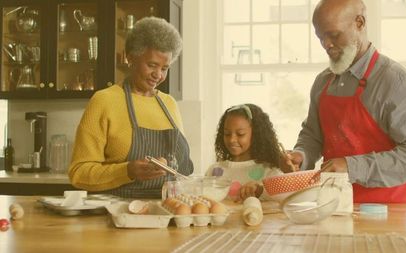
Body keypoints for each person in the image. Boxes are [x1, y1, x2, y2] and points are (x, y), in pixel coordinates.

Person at [281, 0, 406, 203]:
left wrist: (352, 166)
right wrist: (301, 155)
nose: (326, 44)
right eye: (321, 37)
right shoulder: (323, 81)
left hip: (388, 211)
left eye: (334, 35)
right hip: (335, 207)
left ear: (360, 23)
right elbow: (313, 135)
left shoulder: (395, 82)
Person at [69, 17, 193, 198]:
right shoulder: (104, 101)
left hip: (168, 212)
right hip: (117, 214)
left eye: (165, 68)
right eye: (152, 65)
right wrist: (128, 171)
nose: (158, 75)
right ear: (130, 58)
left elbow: (183, 171)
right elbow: (78, 173)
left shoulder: (169, 104)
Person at [205, 104, 283, 202]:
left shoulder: (268, 171)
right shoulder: (214, 170)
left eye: (240, 134)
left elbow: (285, 196)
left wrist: (260, 190)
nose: (232, 139)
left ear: (256, 134)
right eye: (227, 134)